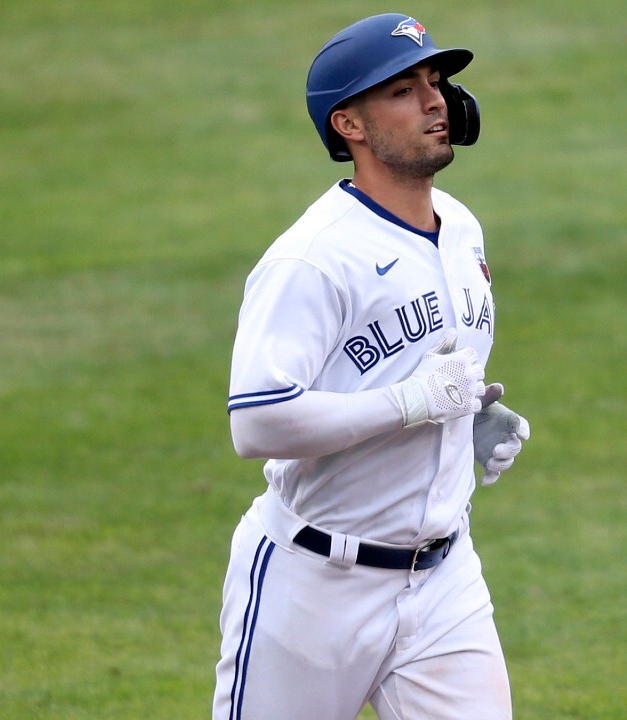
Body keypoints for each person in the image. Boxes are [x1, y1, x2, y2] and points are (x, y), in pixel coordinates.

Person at [214, 13, 531, 720]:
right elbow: (257, 423)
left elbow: (426, 369)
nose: (435, 102)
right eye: (403, 90)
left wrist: (467, 415)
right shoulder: (313, 258)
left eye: (436, 82)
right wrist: (413, 405)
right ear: (349, 125)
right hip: (313, 587)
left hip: (446, 582)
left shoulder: (461, 229)